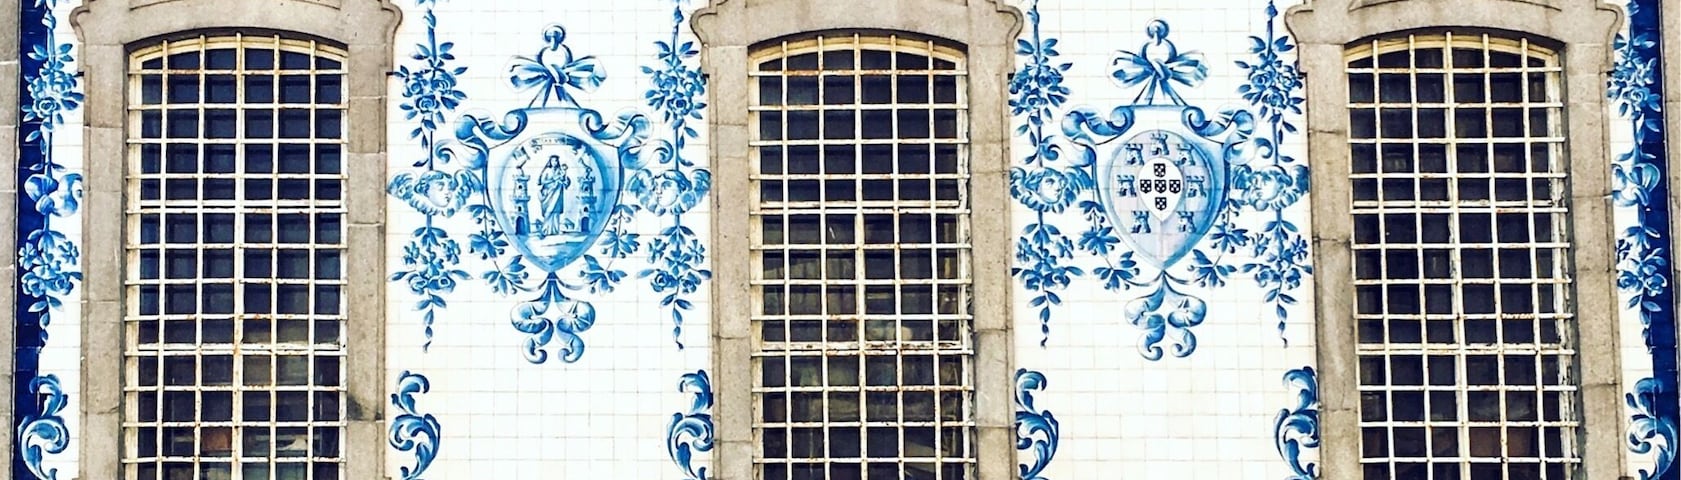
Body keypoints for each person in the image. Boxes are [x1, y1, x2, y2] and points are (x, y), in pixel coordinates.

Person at [537, 155, 571, 236]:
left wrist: (564, 176)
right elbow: (542, 181)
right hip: (548, 194)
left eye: (556, 161)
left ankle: (555, 230)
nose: (554, 162)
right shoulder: (547, 170)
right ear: (550, 162)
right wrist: (553, 179)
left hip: (557, 193)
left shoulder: (560, 170)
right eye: (553, 161)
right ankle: (545, 229)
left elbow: (564, 181)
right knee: (549, 211)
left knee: (556, 211)